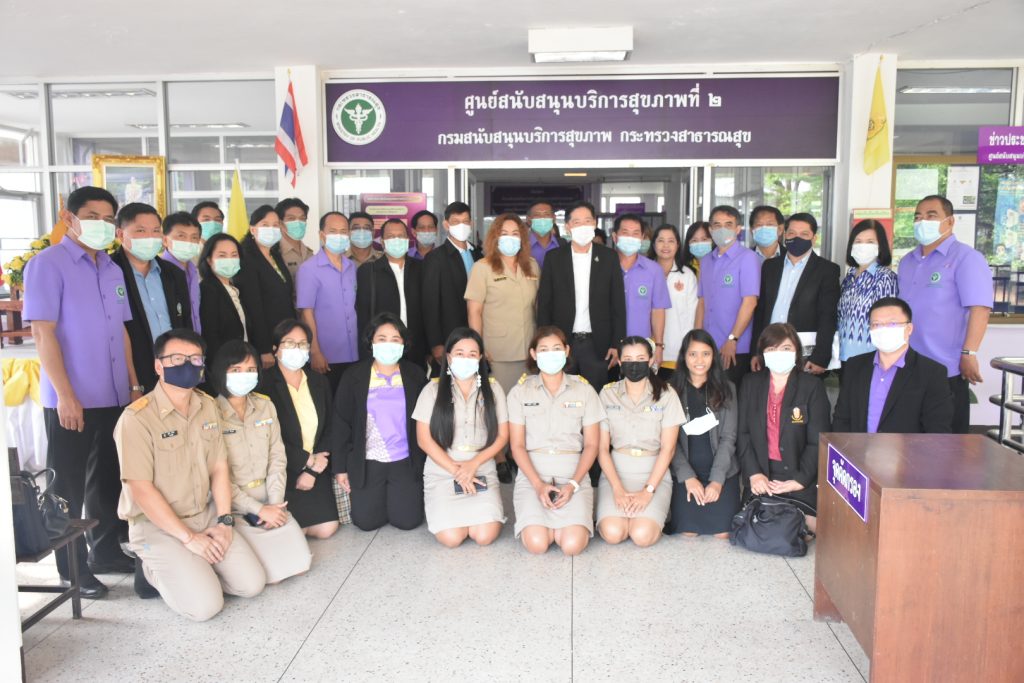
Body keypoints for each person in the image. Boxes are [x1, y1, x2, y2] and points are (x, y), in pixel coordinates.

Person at [23, 186, 142, 598]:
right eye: (92, 216)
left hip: (114, 394)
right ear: (68, 218)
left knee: (107, 479)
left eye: (108, 219)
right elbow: (43, 333)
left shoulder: (110, 267)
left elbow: (121, 331)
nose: (101, 225)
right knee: (66, 487)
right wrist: (66, 395)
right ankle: (70, 569)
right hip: (72, 398)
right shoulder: (47, 265)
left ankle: (104, 552)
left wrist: (132, 383)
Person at [115, 329, 265, 620]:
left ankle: (194, 571)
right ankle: (151, 568)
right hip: (157, 525)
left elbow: (219, 467)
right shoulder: (136, 419)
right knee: (205, 608)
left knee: (251, 585)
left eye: (195, 359)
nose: (187, 365)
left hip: (204, 514)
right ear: (159, 366)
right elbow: (141, 490)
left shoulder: (207, 405)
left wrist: (224, 521)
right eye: (177, 359)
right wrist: (188, 539)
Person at [210, 339, 312, 583]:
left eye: (250, 369)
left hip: (270, 496)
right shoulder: (210, 413)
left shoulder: (265, 405)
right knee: (270, 576)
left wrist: (275, 505)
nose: (244, 375)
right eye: (236, 370)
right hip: (235, 505)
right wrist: (258, 510)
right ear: (221, 372)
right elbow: (215, 476)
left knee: (301, 565)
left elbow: (277, 458)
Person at [899, 195, 994, 434]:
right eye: (918, 217)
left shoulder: (966, 258)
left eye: (931, 216)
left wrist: (969, 352)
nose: (923, 221)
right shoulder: (907, 261)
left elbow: (980, 308)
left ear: (949, 221)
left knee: (946, 440)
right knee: (909, 437)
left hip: (946, 368)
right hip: (908, 365)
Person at [507, 327, 604, 556]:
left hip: (573, 474)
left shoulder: (584, 390)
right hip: (533, 475)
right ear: (533, 354)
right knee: (537, 544)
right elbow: (517, 446)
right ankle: (546, 525)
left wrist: (573, 485)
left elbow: (592, 445)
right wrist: (538, 485)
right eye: (544, 350)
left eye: (556, 348)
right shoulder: (520, 392)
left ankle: (561, 526)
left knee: (572, 545)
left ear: (567, 351)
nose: (551, 354)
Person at [413, 328, 508, 547]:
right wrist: (458, 471)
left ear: (480, 358)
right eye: (459, 353)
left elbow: (503, 436)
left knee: (485, 536)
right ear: (448, 357)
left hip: (480, 467)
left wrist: (473, 464)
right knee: (451, 538)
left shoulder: (493, 389)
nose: (466, 359)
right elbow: (423, 440)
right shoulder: (432, 390)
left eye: (472, 354)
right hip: (443, 470)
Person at [333, 313, 428, 531]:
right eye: (382, 339)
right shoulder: (353, 376)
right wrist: (340, 469)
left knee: (408, 521)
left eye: (395, 339)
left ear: (403, 344)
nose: (388, 345)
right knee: (366, 522)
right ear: (371, 342)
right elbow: (341, 423)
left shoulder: (415, 374)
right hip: (368, 461)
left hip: (405, 459)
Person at [737, 323, 830, 532]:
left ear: (796, 351)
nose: (778, 354)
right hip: (762, 474)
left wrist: (800, 479)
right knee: (762, 526)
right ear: (763, 353)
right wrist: (754, 473)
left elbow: (818, 441)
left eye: (786, 348)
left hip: (799, 473)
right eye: (771, 349)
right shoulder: (751, 383)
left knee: (807, 528)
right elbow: (743, 434)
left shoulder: (811, 386)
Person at [595, 337, 684, 547]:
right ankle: (622, 514)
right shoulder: (607, 394)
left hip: (653, 473)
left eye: (641, 358)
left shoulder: (667, 394)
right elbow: (602, 449)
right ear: (619, 362)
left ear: (651, 360)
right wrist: (617, 488)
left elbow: (668, 449)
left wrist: (648, 491)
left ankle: (648, 513)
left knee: (642, 535)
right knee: (613, 533)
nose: (634, 364)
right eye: (628, 359)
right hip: (616, 473)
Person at [259, 320, 339, 539]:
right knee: (296, 530)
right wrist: (305, 461)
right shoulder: (263, 386)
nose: (297, 349)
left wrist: (314, 468)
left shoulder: (319, 381)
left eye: (303, 344)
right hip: (283, 468)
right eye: (289, 343)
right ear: (275, 349)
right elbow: (266, 438)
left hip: (317, 466)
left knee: (327, 528)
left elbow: (331, 425)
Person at [537, 200, 627, 391]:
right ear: (567, 227)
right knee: (562, 394)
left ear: (594, 223)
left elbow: (618, 304)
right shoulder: (554, 258)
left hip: (598, 345)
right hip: (562, 344)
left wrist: (616, 343)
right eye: (577, 222)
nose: (583, 226)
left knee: (595, 396)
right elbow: (544, 304)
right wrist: (544, 342)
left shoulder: (609, 257)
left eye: (587, 221)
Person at [833, 298, 953, 434]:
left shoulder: (932, 373)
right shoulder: (854, 366)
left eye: (892, 323)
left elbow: (937, 430)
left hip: (908, 448)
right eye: (876, 324)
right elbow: (841, 419)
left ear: (909, 329)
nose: (883, 329)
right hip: (858, 447)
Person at [113, 203, 193, 394]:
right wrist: (133, 384)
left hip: (175, 371)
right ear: (121, 234)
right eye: (141, 231)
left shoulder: (173, 273)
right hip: (133, 374)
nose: (150, 237)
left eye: (156, 231)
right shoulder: (110, 271)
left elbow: (184, 323)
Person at [667, 330, 741, 538]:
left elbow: (728, 438)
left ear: (713, 356)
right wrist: (688, 477)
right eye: (693, 354)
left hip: (722, 473)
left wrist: (716, 481)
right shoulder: (671, 391)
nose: (699, 360)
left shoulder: (727, 389)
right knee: (688, 533)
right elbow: (669, 442)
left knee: (723, 534)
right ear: (684, 357)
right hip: (685, 474)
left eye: (706, 354)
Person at [752, 213, 840, 375]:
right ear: (785, 235)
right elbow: (760, 312)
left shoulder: (827, 270)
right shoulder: (770, 266)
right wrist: (755, 352)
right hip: (769, 349)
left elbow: (828, 316)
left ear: (814, 238)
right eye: (792, 233)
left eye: (804, 234)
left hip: (804, 354)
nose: (797, 238)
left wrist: (821, 357)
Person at [466, 212, 539, 398]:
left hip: (530, 349)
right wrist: (478, 346)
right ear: (495, 237)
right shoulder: (482, 267)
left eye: (515, 233)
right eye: (504, 233)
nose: (510, 238)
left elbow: (538, 306)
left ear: (522, 238)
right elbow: (474, 312)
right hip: (497, 352)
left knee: (528, 402)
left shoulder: (532, 266)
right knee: (501, 401)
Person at [694, 205, 761, 388]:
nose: (722, 229)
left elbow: (750, 302)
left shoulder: (747, 258)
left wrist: (733, 339)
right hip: (707, 346)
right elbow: (702, 302)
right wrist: (696, 338)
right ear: (710, 229)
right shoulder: (706, 261)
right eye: (717, 225)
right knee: (707, 396)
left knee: (730, 397)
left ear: (738, 229)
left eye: (728, 224)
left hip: (734, 348)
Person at [296, 211, 359, 394]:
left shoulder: (351, 267)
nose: (339, 236)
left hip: (353, 353)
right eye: (333, 231)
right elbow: (307, 312)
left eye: (343, 231)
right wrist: (315, 352)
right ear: (322, 235)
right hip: (326, 356)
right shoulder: (309, 269)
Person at [355, 218, 427, 367]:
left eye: (401, 236)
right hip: (383, 348)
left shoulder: (421, 269)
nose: (396, 240)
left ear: (408, 239)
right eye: (391, 236)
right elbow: (363, 316)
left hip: (416, 348)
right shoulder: (369, 271)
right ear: (382, 242)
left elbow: (429, 309)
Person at [235, 205, 296, 369]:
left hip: (284, 336)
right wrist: (263, 348)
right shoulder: (247, 259)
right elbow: (253, 307)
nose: (271, 229)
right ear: (252, 229)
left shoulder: (275, 255)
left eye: (276, 225)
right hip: (265, 342)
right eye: (265, 225)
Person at [423, 201, 482, 367]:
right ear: (446, 225)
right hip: (450, 335)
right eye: (456, 222)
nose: (461, 226)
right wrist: (436, 343)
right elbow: (430, 304)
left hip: (477, 332)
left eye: (465, 221)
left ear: (471, 224)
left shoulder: (478, 254)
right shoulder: (435, 258)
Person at [611, 214, 671, 367]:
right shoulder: (604, 266)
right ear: (615, 237)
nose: (630, 238)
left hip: (641, 350)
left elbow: (658, 310)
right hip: (608, 348)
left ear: (642, 238)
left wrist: (659, 345)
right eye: (625, 233)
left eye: (636, 233)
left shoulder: (654, 270)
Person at [837, 219, 899, 363]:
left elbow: (887, 323)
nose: (863, 246)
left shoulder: (885, 277)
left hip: (869, 359)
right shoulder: (849, 277)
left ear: (880, 246)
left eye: (870, 242)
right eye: (858, 241)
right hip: (843, 357)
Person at [199, 234, 255, 370]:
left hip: (242, 361)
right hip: (224, 366)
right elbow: (210, 334)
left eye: (234, 255)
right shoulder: (208, 289)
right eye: (222, 256)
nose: (229, 260)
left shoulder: (235, 288)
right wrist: (220, 367)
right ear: (209, 260)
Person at [651, 224, 698, 378]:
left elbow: (692, 315)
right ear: (654, 244)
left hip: (677, 350)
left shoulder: (687, 275)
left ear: (678, 245)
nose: (666, 245)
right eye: (661, 240)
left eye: (671, 241)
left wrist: (689, 347)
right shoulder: (644, 271)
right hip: (646, 348)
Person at [160, 211, 203, 332]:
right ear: (165, 240)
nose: (188, 242)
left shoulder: (193, 270)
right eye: (181, 236)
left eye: (194, 237)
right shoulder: (159, 272)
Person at [275, 197, 313, 280]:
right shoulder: (275, 253)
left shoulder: (310, 254)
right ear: (280, 223)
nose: (298, 222)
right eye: (291, 218)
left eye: (302, 218)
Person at [526, 200, 564, 269]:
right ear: (528, 220)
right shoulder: (521, 246)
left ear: (554, 218)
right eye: (537, 215)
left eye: (547, 214)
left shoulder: (563, 244)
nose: (542, 218)